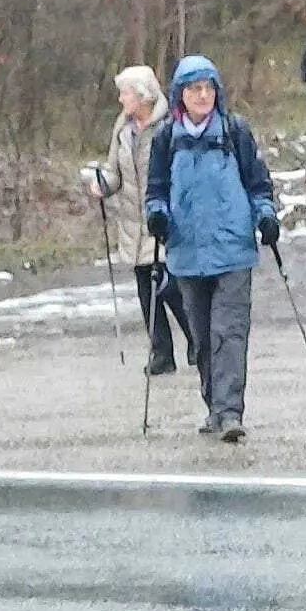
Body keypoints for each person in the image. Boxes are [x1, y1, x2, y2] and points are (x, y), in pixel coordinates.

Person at [145, 54, 279, 443]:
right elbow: (156, 191)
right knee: (201, 337)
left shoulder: (235, 131)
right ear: (180, 95)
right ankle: (213, 406)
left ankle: (229, 411)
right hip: (187, 252)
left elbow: (258, 185)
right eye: (193, 89)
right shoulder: (166, 139)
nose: (201, 95)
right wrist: (157, 215)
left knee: (229, 332)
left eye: (207, 88)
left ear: (216, 92)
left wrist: (265, 216)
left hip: (233, 250)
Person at [81, 64, 191, 377]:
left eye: (125, 93)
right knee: (146, 288)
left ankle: (197, 340)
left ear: (142, 96)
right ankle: (161, 353)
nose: (120, 100)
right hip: (132, 222)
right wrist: (103, 184)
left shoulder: (168, 124)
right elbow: (115, 171)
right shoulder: (123, 128)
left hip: (164, 219)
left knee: (171, 285)